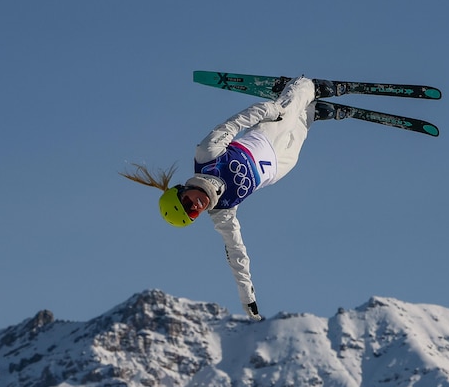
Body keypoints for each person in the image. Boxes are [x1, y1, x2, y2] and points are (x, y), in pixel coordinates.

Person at [122, 76, 334, 320]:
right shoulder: (222, 212)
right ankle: (312, 111)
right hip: (278, 167)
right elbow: (236, 254)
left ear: (181, 190)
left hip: (266, 135)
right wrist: (248, 298)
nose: (196, 205)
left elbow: (236, 123)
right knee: (300, 133)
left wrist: (269, 110)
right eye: (193, 212)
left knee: (290, 107)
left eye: (187, 203)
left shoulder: (206, 156)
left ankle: (308, 86)